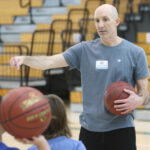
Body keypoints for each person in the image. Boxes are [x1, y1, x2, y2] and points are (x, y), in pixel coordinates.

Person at [10, 4, 150, 150]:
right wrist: (25, 59)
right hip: (90, 131)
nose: (100, 25)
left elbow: (145, 94)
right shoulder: (84, 50)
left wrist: (138, 100)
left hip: (122, 129)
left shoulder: (136, 53)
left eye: (105, 19)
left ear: (117, 21)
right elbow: (49, 62)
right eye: (96, 21)